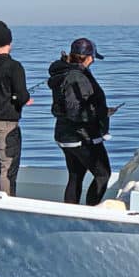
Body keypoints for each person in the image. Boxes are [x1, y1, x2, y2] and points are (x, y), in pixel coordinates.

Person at [48, 37, 114, 205]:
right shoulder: (77, 77)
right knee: (103, 174)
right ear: (89, 57)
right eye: (92, 58)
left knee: (76, 175)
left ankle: (71, 212)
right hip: (81, 137)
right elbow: (75, 110)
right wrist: (101, 113)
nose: (93, 61)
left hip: (64, 134)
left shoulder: (65, 72)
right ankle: (90, 212)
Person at [0, 19, 32, 196]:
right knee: (7, 168)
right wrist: (25, 99)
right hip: (6, 124)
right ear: (10, 41)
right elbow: (21, 95)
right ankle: (7, 203)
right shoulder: (14, 67)